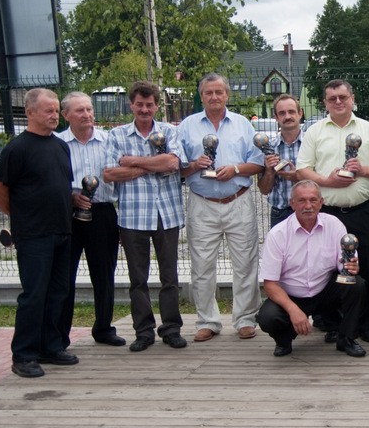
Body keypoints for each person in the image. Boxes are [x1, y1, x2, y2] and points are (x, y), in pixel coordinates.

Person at [296, 79, 369, 344]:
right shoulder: (315, 131)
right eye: (331, 99)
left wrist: (363, 170)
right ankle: (333, 323)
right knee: (329, 271)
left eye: (342, 97)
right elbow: (302, 169)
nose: (338, 102)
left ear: (352, 98)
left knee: (366, 268)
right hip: (327, 213)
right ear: (324, 102)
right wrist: (327, 181)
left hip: (363, 212)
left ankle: (366, 324)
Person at [0, 88, 76, 378]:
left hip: (62, 230)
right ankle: (24, 355)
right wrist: (21, 217)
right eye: (48, 111)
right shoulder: (17, 148)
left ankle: (51, 346)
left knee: (58, 293)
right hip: (34, 235)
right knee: (34, 295)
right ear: (30, 113)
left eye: (55, 110)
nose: (54, 116)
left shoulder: (60, 146)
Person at [179, 73, 265, 343]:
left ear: (227, 94)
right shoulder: (187, 126)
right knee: (202, 266)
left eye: (219, 92)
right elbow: (177, 167)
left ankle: (245, 319)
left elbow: (259, 163)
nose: (214, 97)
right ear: (201, 95)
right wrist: (195, 165)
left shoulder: (242, 125)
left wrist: (236, 169)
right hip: (202, 203)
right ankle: (207, 321)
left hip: (238, 199)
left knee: (246, 264)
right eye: (208, 93)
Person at [103, 81, 188, 352]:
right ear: (131, 105)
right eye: (139, 104)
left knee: (169, 276)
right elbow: (109, 174)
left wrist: (133, 161)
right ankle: (143, 331)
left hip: (167, 214)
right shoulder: (117, 135)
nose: (144, 109)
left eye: (149, 104)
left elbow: (173, 163)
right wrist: (152, 165)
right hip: (132, 217)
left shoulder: (169, 131)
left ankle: (171, 329)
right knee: (137, 278)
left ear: (156, 106)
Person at [256, 180, 367, 358]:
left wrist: (352, 266)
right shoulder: (277, 234)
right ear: (292, 203)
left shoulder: (334, 224)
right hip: (292, 295)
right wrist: (293, 310)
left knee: (356, 284)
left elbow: (344, 265)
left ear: (321, 202)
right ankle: (284, 340)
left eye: (313, 200)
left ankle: (346, 338)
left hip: (324, 291)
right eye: (302, 200)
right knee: (268, 317)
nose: (308, 206)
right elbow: (270, 284)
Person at [57, 91, 123, 348]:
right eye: (79, 110)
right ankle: (60, 334)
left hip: (103, 212)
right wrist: (70, 196)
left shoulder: (109, 141)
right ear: (66, 115)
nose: (86, 115)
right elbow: (51, 182)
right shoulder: (57, 143)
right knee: (64, 276)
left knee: (104, 274)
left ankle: (104, 327)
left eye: (89, 109)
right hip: (68, 215)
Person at [257, 94, 304, 228]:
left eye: (291, 112)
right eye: (282, 113)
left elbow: (321, 182)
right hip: (280, 214)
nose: (287, 116)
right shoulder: (268, 148)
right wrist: (269, 172)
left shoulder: (312, 144)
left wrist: (298, 177)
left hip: (309, 211)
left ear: (300, 113)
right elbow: (264, 190)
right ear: (276, 117)